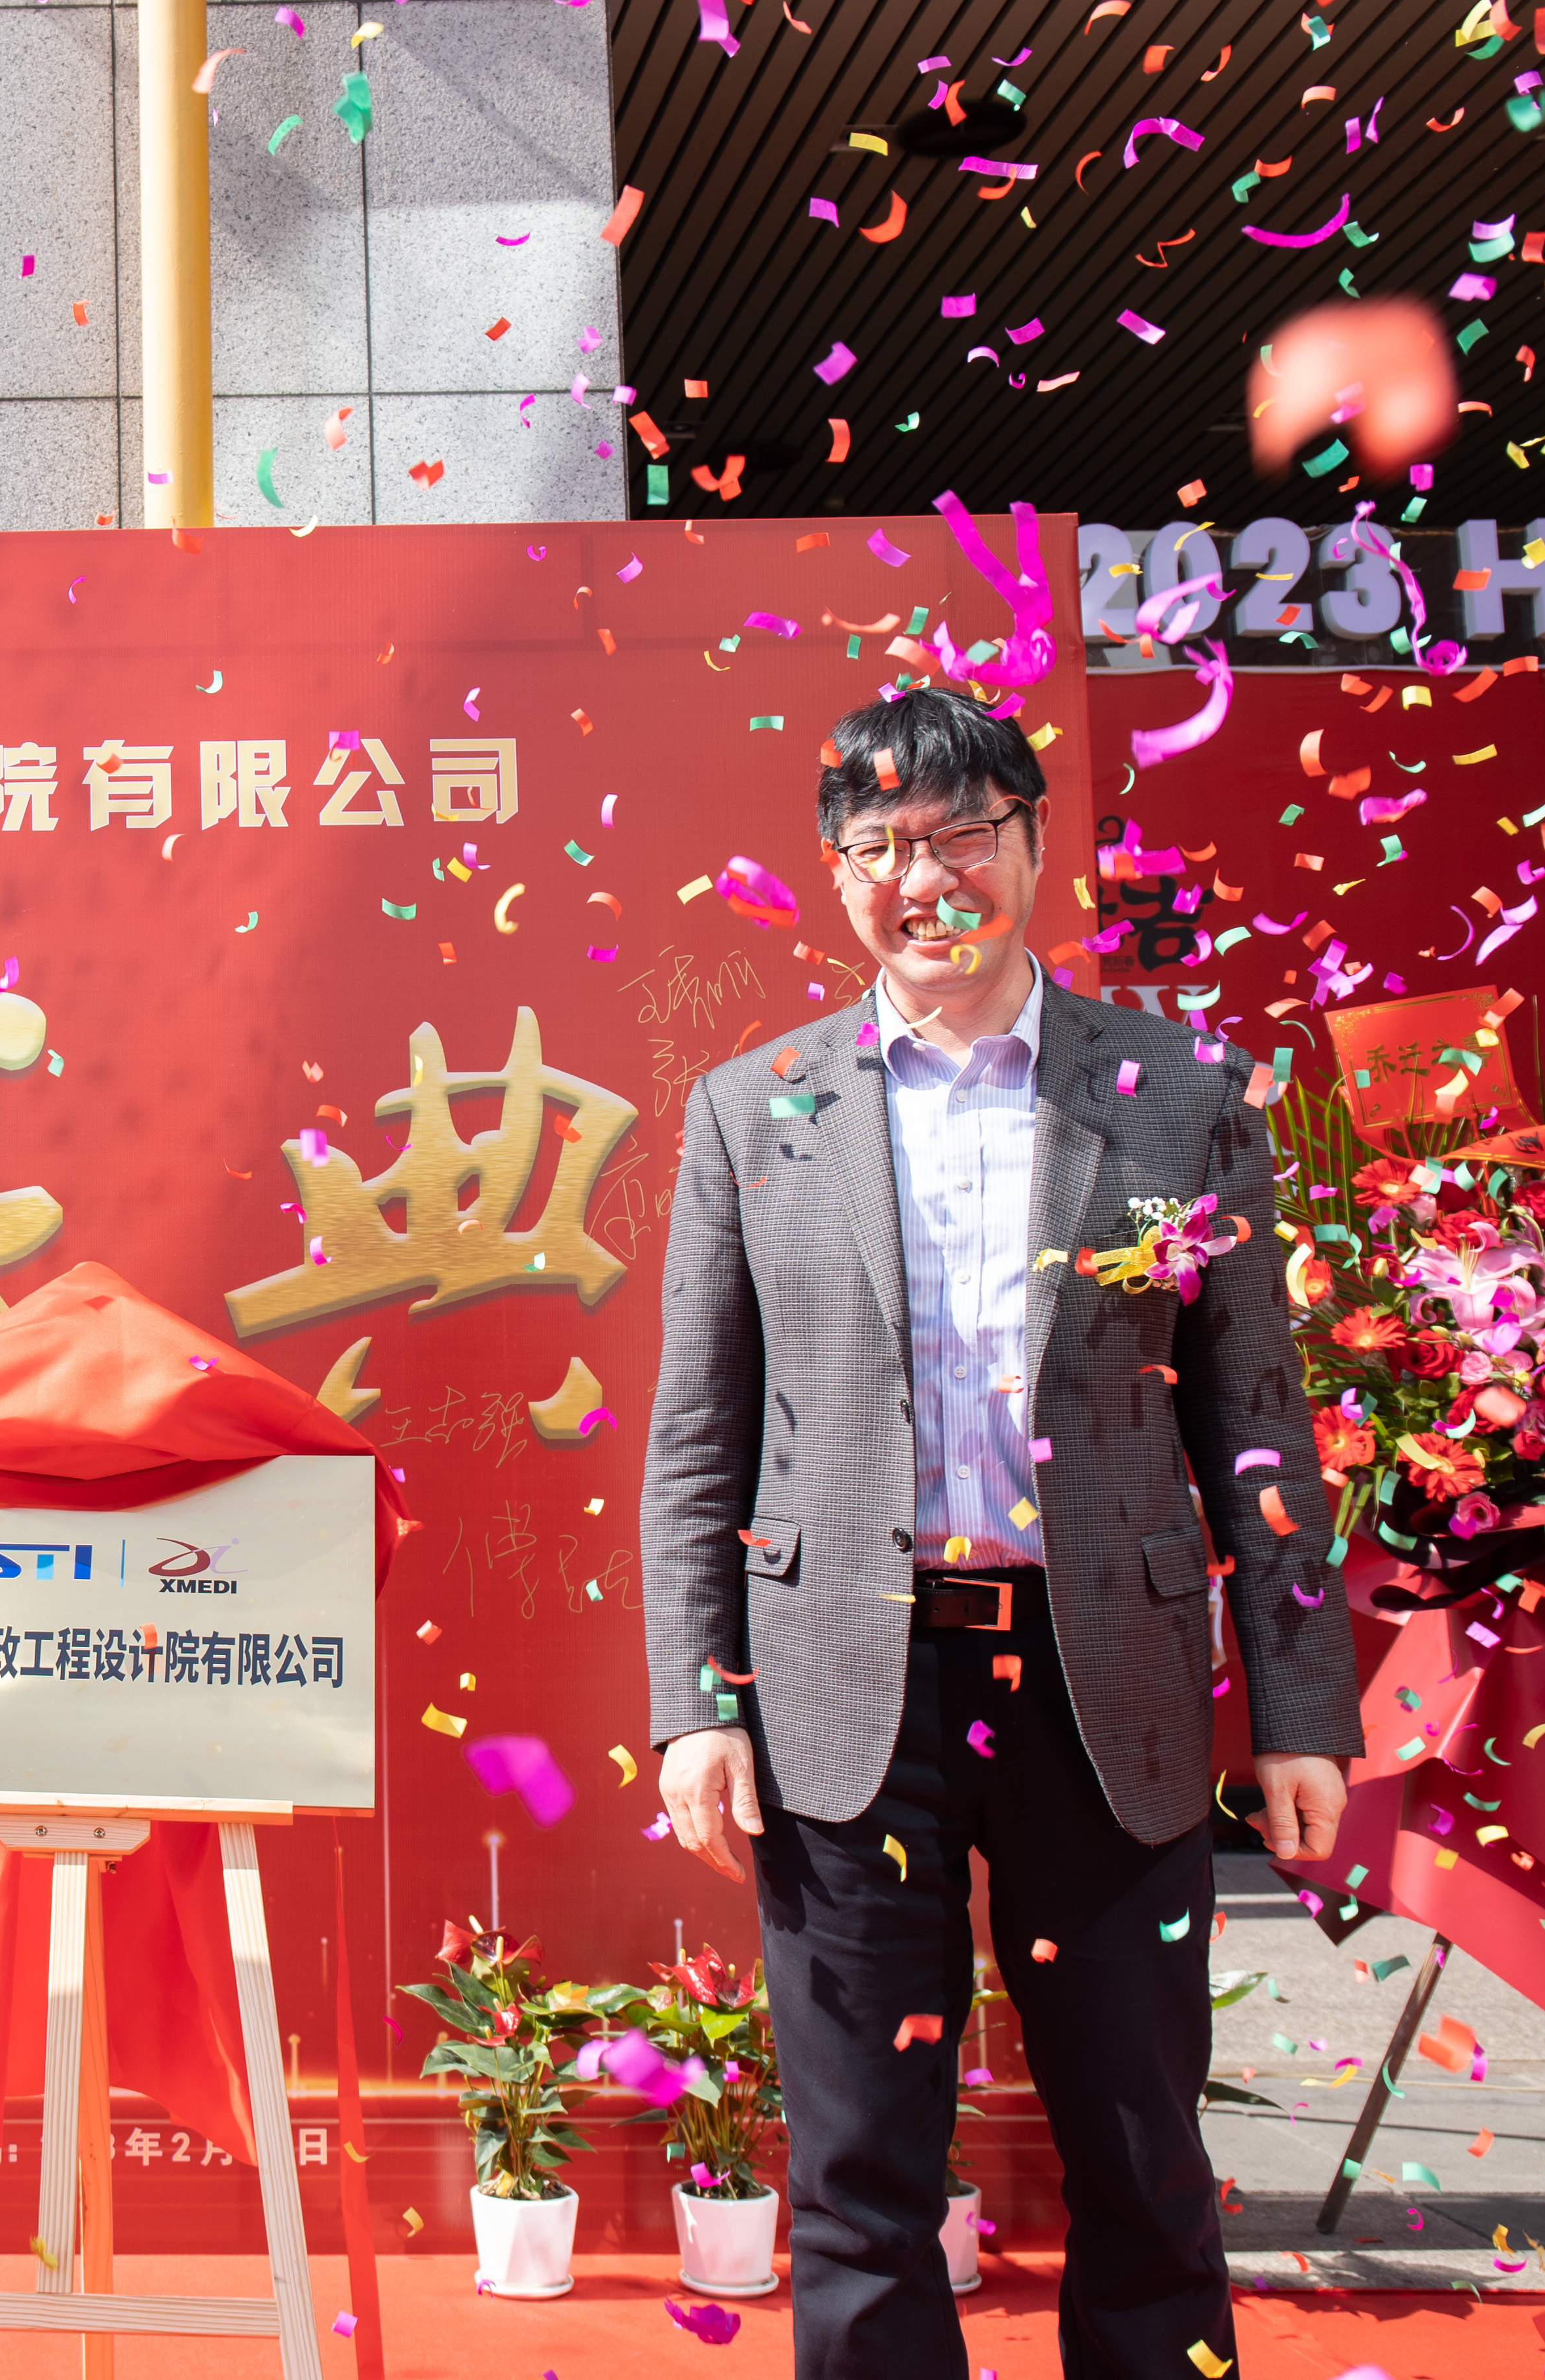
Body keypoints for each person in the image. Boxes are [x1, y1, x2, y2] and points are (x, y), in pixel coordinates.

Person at [638, 686, 1359, 2380]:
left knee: (1143, 2160)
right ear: (836, 876)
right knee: (860, 2186)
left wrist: (1301, 1709)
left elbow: (1259, 1420)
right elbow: (699, 1438)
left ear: (1034, 845)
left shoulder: (1178, 1095)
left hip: (1101, 1684)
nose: (926, 877)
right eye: (881, 846)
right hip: (847, 1691)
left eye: (963, 835)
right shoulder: (755, 1110)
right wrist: (695, 1702)